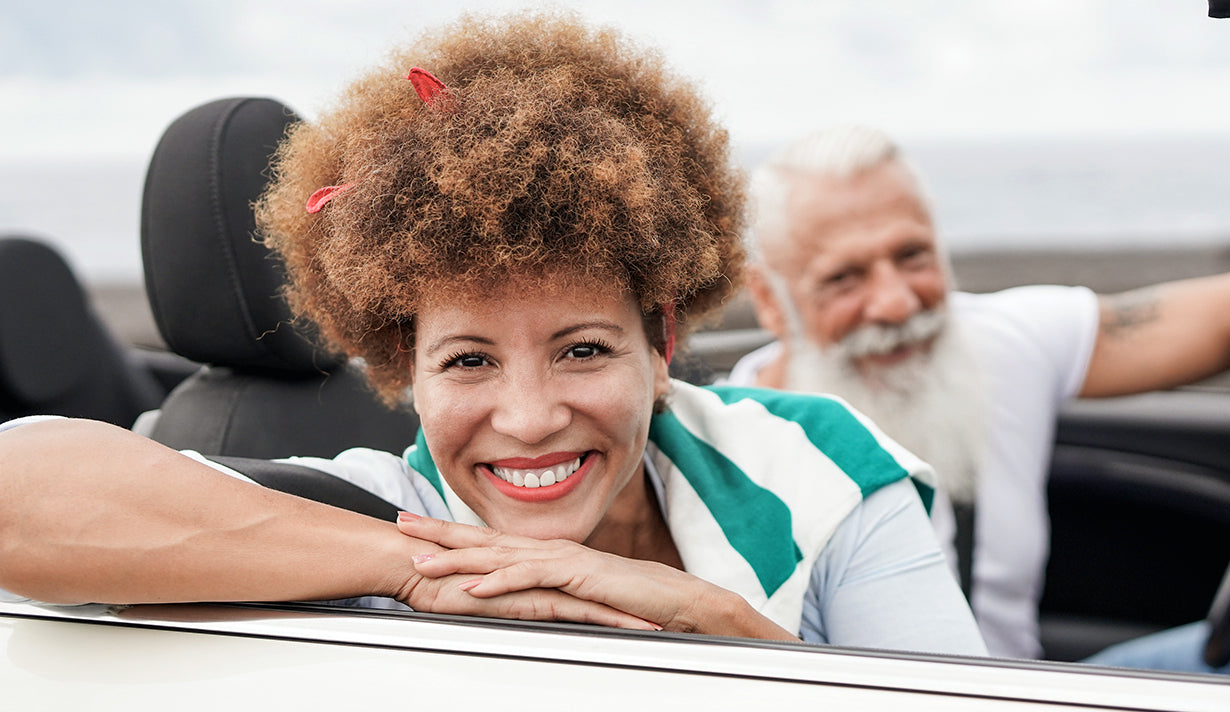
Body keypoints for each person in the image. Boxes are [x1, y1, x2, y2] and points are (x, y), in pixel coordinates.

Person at [0, 15, 985, 656]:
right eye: (468, 360)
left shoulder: (814, 468)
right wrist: (421, 571)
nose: (529, 417)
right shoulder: (374, 515)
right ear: (405, 369)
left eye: (583, 349)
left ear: (664, 340)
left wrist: (710, 626)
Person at [726, 124, 1230, 680]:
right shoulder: (722, 449)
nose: (896, 302)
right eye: (844, 279)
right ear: (769, 299)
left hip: (1048, 704)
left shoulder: (1001, 340)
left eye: (913, 256)